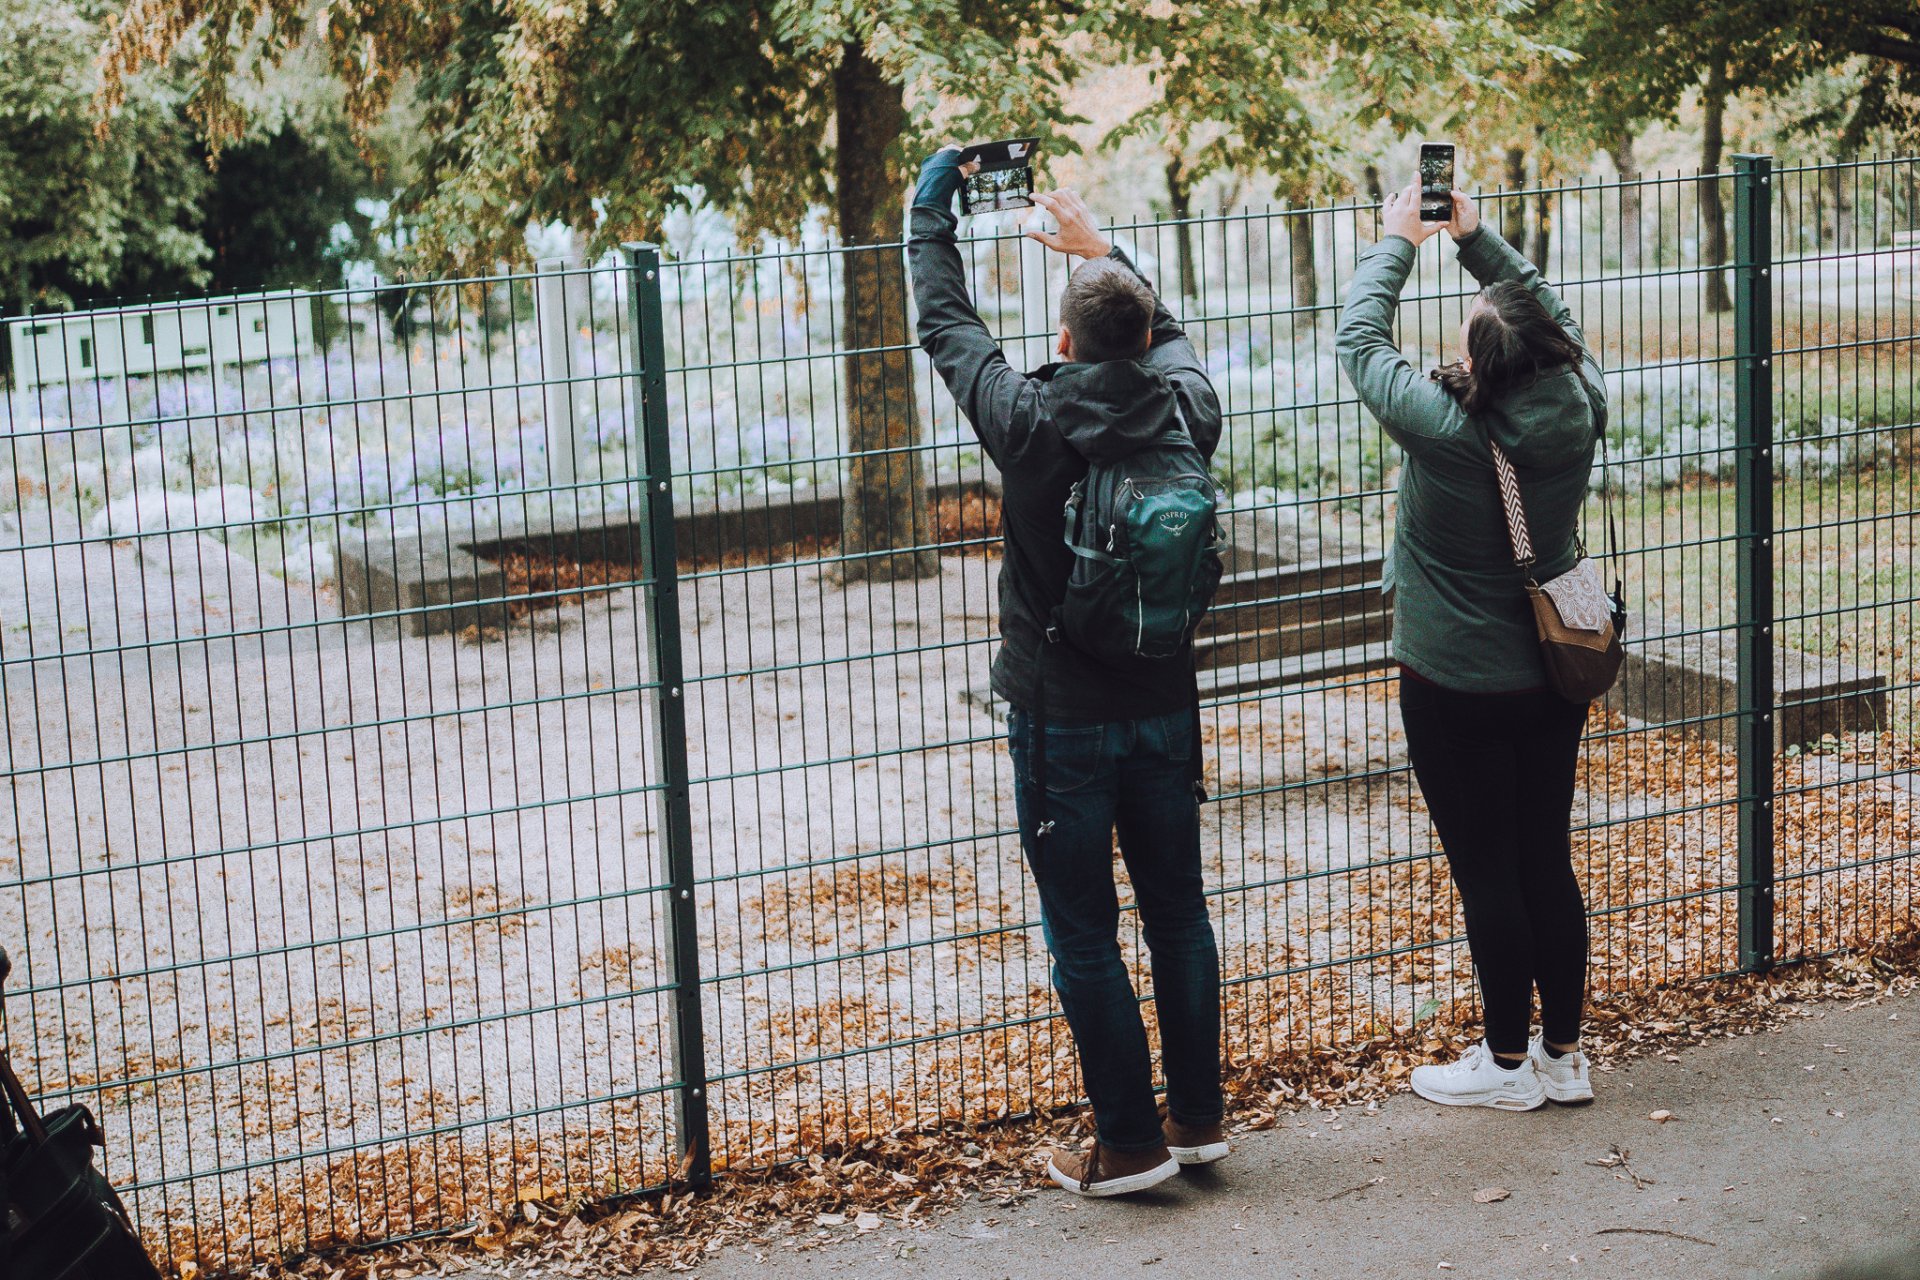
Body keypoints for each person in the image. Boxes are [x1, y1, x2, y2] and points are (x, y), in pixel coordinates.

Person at [908, 147, 1229, 1195]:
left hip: (1062, 716)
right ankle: (1197, 1118)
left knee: (1083, 927)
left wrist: (931, 209)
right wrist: (1105, 251)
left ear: (1062, 340)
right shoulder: (1188, 407)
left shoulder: (1031, 419)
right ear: (1145, 338)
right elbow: (1164, 331)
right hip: (1165, 703)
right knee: (1178, 912)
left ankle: (1129, 1142)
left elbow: (949, 328)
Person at [1335, 184, 1605, 1111]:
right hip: (1551, 668)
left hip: (1454, 680)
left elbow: (1359, 342)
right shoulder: (1580, 401)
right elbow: (1549, 313)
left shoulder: (1445, 430)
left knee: (1486, 866)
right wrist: (1478, 236)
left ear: (1479, 361)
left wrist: (1398, 242)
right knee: (1543, 856)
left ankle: (1500, 1064)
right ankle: (1563, 1058)